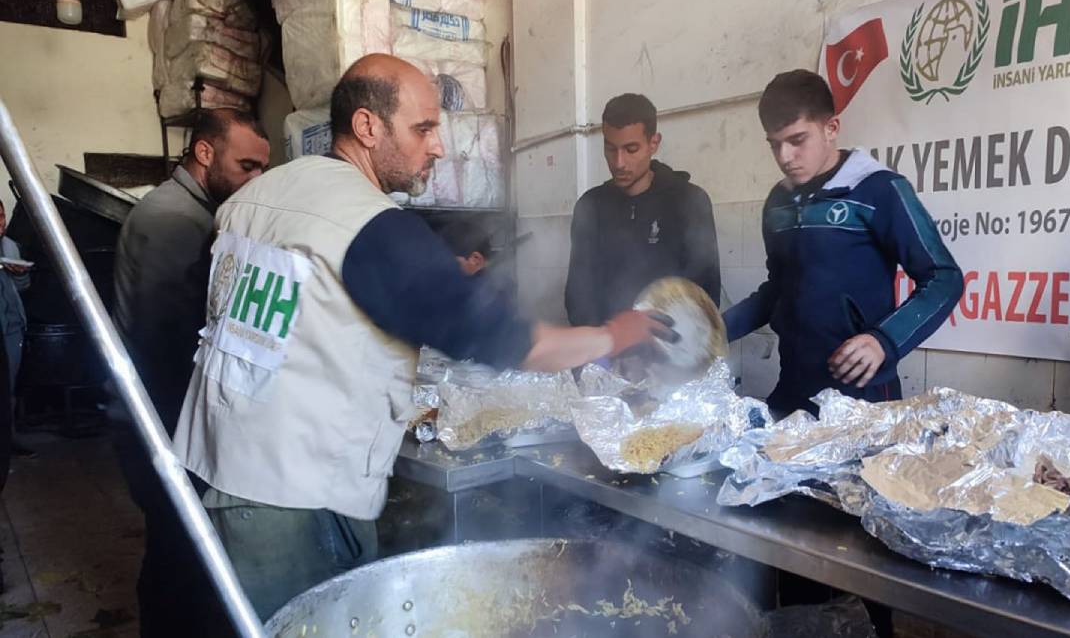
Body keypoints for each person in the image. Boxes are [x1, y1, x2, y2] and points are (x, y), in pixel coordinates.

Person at [172, 54, 676, 619]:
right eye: (423, 128)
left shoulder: (252, 199)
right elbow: (509, 342)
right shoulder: (370, 224)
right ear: (367, 127)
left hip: (206, 471)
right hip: (291, 499)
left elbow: (222, 314)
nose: (437, 146)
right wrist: (614, 334)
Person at [112, 108, 270, 638]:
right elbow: (169, 339)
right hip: (164, 418)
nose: (255, 181)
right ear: (205, 154)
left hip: (166, 415)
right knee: (180, 556)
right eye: (246, 166)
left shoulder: (192, 212)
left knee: (177, 550)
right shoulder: (175, 221)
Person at [724, 70, 963, 417]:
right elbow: (777, 289)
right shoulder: (777, 203)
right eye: (774, 144)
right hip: (793, 392)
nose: (784, 156)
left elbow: (944, 278)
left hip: (863, 399)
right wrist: (716, 330)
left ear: (831, 128)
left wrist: (884, 341)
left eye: (797, 140)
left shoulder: (878, 189)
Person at [565, 93, 721, 327]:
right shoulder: (590, 207)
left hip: (670, 351)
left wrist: (662, 346)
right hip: (607, 351)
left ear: (653, 144)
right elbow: (578, 294)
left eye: (631, 149)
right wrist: (605, 346)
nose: (619, 163)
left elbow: (704, 293)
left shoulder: (689, 202)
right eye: (610, 148)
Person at [0, 202, 29, 401]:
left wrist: (19, 274)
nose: (0, 223)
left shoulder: (9, 246)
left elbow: (22, 287)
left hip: (11, 328)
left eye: (1, 216)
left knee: (7, 390)